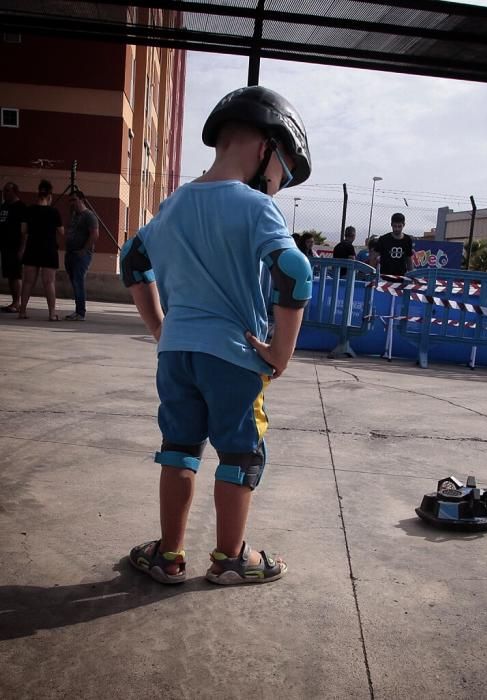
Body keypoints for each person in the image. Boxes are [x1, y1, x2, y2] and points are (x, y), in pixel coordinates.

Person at [121, 85, 313, 585]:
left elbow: (131, 260)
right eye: (284, 171)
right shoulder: (254, 206)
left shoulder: (173, 204)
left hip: (177, 352)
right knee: (240, 453)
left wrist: (160, 327)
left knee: (179, 448)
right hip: (233, 356)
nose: (279, 183)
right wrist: (281, 351)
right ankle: (231, 559)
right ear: (265, 146)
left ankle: (167, 555)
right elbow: (294, 271)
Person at [18, 180, 64, 321]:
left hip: (32, 248)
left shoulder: (29, 210)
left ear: (38, 194)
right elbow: (61, 232)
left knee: (27, 282)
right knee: (49, 282)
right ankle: (52, 313)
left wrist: (22, 248)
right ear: (50, 196)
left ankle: (22, 311)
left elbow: (23, 230)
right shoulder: (54, 212)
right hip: (49, 249)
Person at [63, 190, 99, 321]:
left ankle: (80, 312)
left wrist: (84, 250)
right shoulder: (74, 216)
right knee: (74, 281)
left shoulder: (89, 216)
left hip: (81, 255)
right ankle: (77, 310)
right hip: (71, 253)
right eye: (70, 200)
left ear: (82, 200)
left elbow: (94, 234)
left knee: (78, 281)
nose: (72, 203)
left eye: (74, 200)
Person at [0, 182, 27, 312]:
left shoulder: (21, 208)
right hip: (4, 246)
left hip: (15, 246)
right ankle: (13, 302)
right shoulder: (4, 206)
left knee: (15, 275)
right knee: (9, 275)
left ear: (14, 192)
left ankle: (17, 303)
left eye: (7, 191)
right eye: (3, 190)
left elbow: (24, 231)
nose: (4, 193)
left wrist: (22, 248)